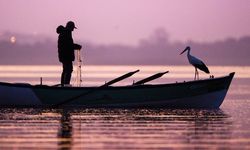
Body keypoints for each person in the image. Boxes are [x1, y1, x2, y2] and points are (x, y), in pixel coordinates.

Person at [57, 21, 82, 86]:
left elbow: (68, 45)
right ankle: (66, 85)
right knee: (69, 70)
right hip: (66, 56)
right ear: (70, 27)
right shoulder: (66, 33)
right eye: (73, 28)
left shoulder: (63, 33)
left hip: (63, 56)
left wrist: (75, 46)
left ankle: (63, 85)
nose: (73, 29)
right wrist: (77, 46)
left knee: (65, 70)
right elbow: (69, 45)